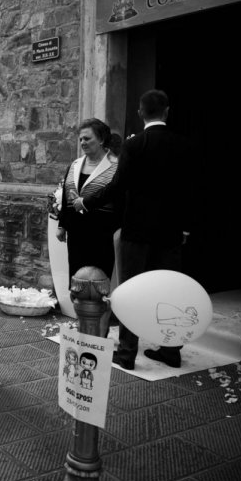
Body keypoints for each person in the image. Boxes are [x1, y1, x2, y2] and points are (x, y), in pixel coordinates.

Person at [88, 89, 195, 370]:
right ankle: (171, 350)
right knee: (169, 291)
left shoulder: (134, 146)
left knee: (132, 291)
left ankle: (126, 353)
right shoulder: (184, 145)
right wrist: (185, 226)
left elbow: (117, 186)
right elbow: (190, 191)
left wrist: (88, 201)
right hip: (170, 232)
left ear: (139, 112)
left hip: (136, 231)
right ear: (167, 112)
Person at [55, 118, 119, 280]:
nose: (83, 142)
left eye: (87, 138)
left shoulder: (115, 166)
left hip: (102, 234)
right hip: (76, 234)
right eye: (81, 139)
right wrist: (62, 225)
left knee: (98, 280)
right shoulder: (75, 165)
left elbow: (118, 200)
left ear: (102, 139)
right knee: (77, 279)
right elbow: (65, 195)